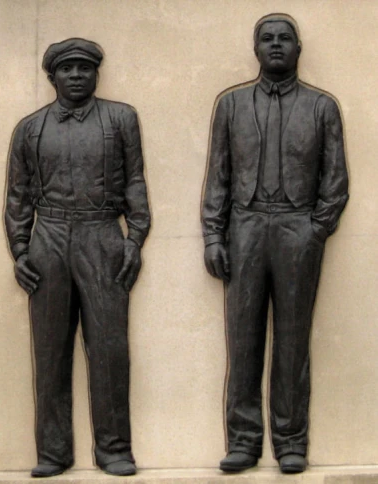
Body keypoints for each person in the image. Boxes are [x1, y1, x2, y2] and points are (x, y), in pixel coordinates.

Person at [202, 13, 348, 474]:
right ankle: (243, 441)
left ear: (299, 48)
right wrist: (213, 234)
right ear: (256, 49)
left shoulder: (322, 107)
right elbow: (218, 177)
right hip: (244, 228)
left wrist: (315, 228)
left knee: (292, 341)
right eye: (267, 39)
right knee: (242, 338)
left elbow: (336, 179)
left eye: (285, 38)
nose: (276, 45)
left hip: (297, 228)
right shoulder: (230, 105)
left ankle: (290, 441)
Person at [5, 38, 150, 478]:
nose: (75, 75)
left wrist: (135, 238)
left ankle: (114, 449)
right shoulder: (30, 128)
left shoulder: (121, 118)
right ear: (52, 77)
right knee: (50, 351)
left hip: (102, 234)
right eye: (66, 69)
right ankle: (53, 451)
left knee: (109, 349)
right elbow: (17, 196)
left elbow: (136, 182)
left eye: (84, 68)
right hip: (47, 238)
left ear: (96, 74)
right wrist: (19, 248)